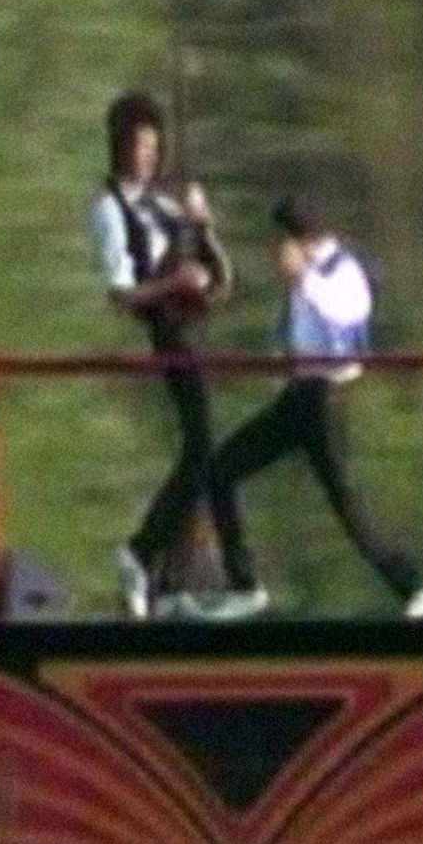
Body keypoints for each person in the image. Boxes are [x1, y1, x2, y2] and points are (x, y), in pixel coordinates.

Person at [144, 194, 423, 620]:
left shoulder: (342, 271)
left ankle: (414, 589)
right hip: (298, 396)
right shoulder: (304, 275)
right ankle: (245, 585)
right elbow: (297, 330)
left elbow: (346, 320)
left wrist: (305, 279)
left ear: (299, 239)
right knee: (220, 471)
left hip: (327, 399)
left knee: (346, 502)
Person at [92, 91, 268, 620]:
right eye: (140, 146)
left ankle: (163, 575)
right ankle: (147, 556)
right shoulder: (109, 209)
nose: (148, 156)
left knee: (202, 450)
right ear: (120, 147)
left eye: (154, 147)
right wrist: (174, 283)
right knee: (203, 446)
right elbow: (121, 293)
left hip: (193, 332)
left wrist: (203, 225)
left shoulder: (164, 207)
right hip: (168, 336)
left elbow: (218, 280)